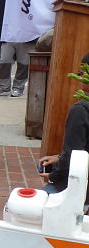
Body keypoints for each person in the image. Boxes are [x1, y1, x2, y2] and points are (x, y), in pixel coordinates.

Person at [38, 54, 89, 204]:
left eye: (81, 73)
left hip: (80, 185)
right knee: (45, 162)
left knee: (35, 206)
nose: (79, 78)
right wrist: (59, 158)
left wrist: (53, 176)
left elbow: (74, 157)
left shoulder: (81, 109)